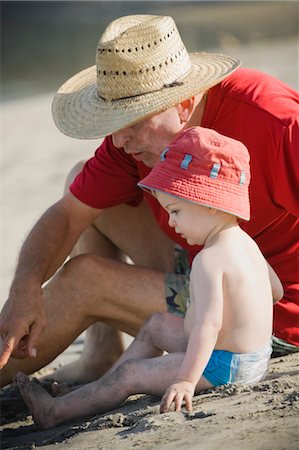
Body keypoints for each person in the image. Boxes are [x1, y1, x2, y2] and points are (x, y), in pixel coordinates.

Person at [0, 14, 298, 388]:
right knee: (81, 180)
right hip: (201, 265)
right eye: (113, 121)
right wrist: (23, 287)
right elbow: (67, 216)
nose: (119, 139)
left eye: (132, 122)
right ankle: (100, 354)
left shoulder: (275, 121)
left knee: (85, 281)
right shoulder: (129, 144)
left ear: (185, 102)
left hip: (261, 317)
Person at [15, 127, 283, 429]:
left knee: (131, 376)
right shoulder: (246, 244)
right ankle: (98, 389)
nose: (171, 222)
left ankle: (55, 411)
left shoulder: (209, 260)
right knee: (155, 325)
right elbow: (275, 290)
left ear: (209, 203)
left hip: (221, 366)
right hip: (252, 355)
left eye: (176, 211)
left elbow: (208, 328)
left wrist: (185, 380)